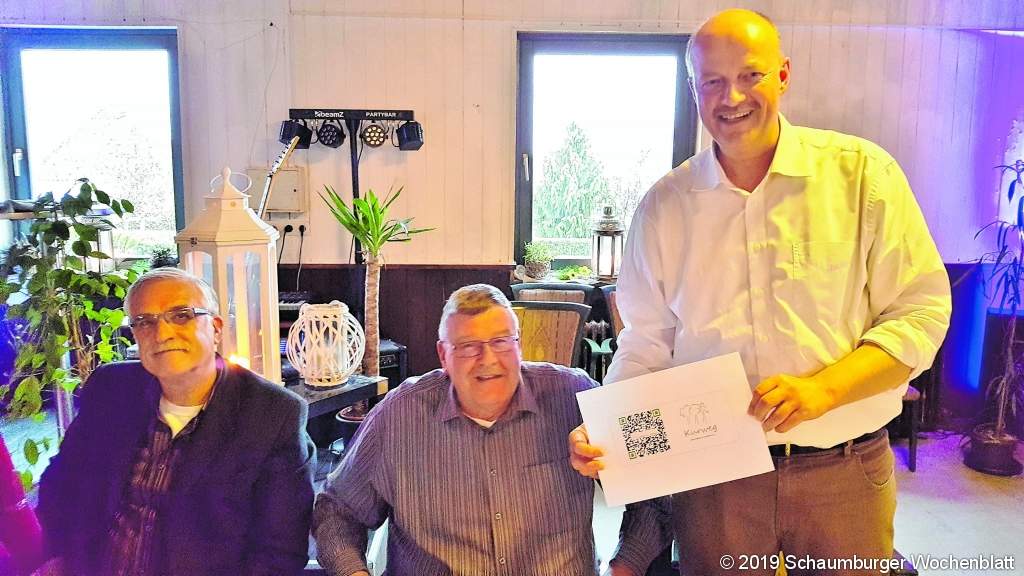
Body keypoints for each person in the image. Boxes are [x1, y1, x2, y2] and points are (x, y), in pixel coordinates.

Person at [570, 9, 952, 576]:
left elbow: (920, 314)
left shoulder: (862, 176)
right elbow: (646, 344)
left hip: (844, 471)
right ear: (695, 90)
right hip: (714, 480)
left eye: (751, 75)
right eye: (713, 81)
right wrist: (607, 432)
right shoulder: (665, 206)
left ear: (783, 75)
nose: (732, 97)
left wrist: (824, 390)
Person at [315, 284, 618, 576]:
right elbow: (337, 511)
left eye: (501, 341)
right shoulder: (399, 415)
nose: (488, 359)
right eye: (468, 346)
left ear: (519, 345)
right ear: (443, 355)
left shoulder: (574, 396)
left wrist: (624, 567)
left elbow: (643, 490)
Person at [36, 267, 315, 576]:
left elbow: (279, 553)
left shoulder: (272, 415)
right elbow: (59, 485)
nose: (162, 333)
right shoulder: (111, 389)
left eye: (181, 316)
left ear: (216, 329)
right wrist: (56, 558)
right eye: (145, 321)